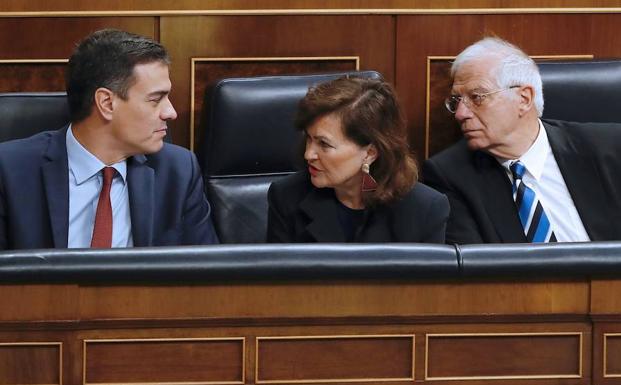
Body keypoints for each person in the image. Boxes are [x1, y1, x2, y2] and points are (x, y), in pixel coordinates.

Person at [0, 29, 218, 249]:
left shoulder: (178, 171)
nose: (170, 112)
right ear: (106, 103)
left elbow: (208, 273)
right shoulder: (9, 171)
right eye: (155, 99)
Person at [422, 37, 621, 244]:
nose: (460, 114)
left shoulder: (609, 147)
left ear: (524, 99)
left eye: (477, 97)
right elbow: (476, 269)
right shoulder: (450, 175)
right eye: (456, 101)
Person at [267, 77, 449, 243]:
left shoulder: (425, 209)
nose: (309, 154)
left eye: (324, 144)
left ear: (370, 153)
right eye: (309, 138)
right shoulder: (287, 198)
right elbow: (275, 277)